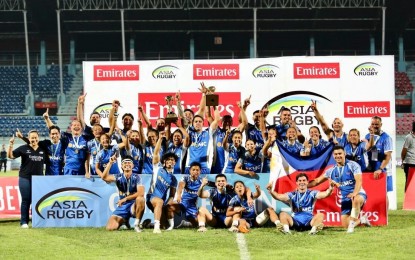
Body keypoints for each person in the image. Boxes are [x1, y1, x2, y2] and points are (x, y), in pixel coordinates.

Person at [308, 145, 371, 233]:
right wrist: (303, 185)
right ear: (333, 156)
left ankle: (351, 228)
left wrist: (354, 193)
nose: (338, 156)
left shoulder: (353, 165)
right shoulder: (331, 170)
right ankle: (362, 220)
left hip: (358, 193)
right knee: (345, 224)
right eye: (335, 154)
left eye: (340, 153)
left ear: (344, 153)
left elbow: (359, 181)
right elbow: (317, 181)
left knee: (356, 199)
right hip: (345, 198)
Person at [267, 173, 334, 235]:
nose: (302, 182)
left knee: (320, 215)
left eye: (304, 180)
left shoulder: (312, 193)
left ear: (307, 182)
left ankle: (313, 231)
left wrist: (331, 188)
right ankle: (286, 230)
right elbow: (278, 197)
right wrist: (271, 191)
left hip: (309, 222)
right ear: (296, 182)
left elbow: (325, 194)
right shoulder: (292, 194)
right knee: (283, 214)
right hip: (295, 222)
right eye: (300, 181)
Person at [7, 131, 46, 228]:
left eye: (35, 137)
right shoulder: (23, 148)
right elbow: (10, 156)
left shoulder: (43, 149)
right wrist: (11, 144)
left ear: (38, 138)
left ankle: (36, 221)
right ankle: (24, 222)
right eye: (32, 138)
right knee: (26, 200)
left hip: (38, 179)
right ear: (28, 139)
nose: (34, 140)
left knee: (37, 200)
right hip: (25, 178)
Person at [100, 155, 146, 232]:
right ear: (121, 166)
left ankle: (137, 224)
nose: (127, 164)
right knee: (110, 228)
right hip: (123, 206)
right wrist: (110, 163)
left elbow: (141, 193)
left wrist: (125, 198)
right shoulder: (118, 176)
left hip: (133, 205)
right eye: (125, 163)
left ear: (133, 166)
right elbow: (104, 177)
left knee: (141, 199)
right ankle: (124, 220)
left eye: (129, 163)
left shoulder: (137, 177)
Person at [146, 132, 178, 234]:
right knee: (159, 202)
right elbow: (156, 154)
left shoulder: (173, 179)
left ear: (174, 163)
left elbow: (172, 195)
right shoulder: (158, 168)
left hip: (162, 202)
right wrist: (160, 139)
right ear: (164, 162)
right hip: (151, 197)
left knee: (164, 225)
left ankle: (149, 224)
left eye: (172, 160)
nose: (170, 161)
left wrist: (168, 203)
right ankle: (156, 228)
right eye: (168, 159)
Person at [44, 108, 89, 176]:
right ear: (71, 127)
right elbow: (54, 129)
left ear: (81, 128)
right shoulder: (67, 137)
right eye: (74, 125)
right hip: (68, 170)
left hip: (81, 170)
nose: (76, 126)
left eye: (78, 125)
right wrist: (47, 119)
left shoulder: (86, 139)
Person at [166, 162, 203, 230]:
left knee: (196, 224)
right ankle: (170, 226)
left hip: (192, 206)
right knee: (169, 206)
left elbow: (214, 184)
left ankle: (187, 223)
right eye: (193, 170)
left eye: (197, 170)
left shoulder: (201, 181)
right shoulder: (185, 178)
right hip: (182, 202)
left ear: (200, 171)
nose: (195, 172)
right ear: (190, 170)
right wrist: (179, 195)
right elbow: (181, 186)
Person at [184, 106, 220, 175]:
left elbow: (217, 120)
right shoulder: (189, 133)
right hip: (189, 166)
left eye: (200, 121)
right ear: (193, 123)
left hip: (204, 167)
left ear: (203, 123)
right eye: (196, 121)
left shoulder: (208, 132)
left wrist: (215, 106)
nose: (198, 123)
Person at [365, 116, 393, 191]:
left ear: (381, 124)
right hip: (371, 170)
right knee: (372, 193)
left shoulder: (387, 138)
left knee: (383, 193)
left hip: (383, 170)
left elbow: (388, 156)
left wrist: (380, 169)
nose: (374, 126)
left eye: (377, 124)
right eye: (373, 124)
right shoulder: (368, 136)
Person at [401, 122, 415, 191]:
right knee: (409, 181)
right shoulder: (409, 137)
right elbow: (404, 150)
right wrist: (403, 161)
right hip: (410, 163)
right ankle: (407, 200)